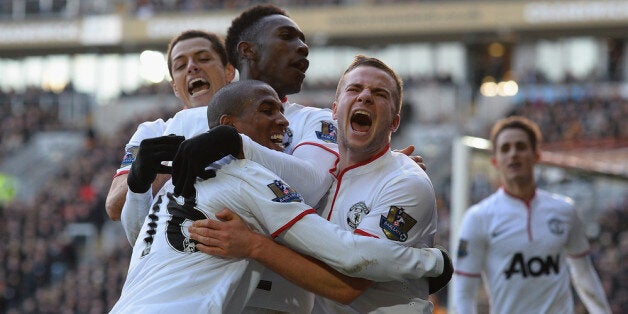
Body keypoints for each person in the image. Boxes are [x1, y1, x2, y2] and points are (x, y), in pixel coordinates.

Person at [111, 79, 447, 313]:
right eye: (268, 110)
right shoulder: (252, 179)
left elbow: (142, 239)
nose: (283, 122)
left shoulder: (177, 184)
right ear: (229, 125)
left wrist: (139, 188)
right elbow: (349, 257)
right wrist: (432, 262)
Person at [452, 116, 611, 313]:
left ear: (537, 155)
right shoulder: (478, 218)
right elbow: (463, 293)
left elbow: (584, 275)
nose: (513, 154)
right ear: (495, 160)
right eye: (505, 149)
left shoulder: (565, 211)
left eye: (521, 146)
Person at [104, 29, 235, 221]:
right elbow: (114, 207)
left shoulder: (256, 123)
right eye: (181, 65)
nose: (192, 67)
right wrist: (148, 171)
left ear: (229, 71)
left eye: (204, 58)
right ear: (175, 87)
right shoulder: (153, 132)